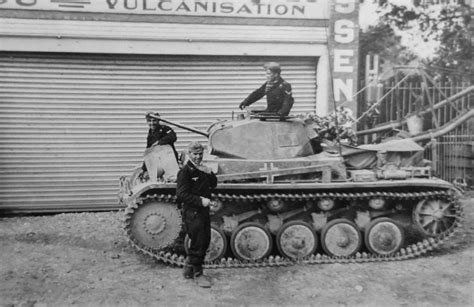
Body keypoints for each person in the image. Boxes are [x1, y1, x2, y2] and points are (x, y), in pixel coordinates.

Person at [176, 142, 217, 286]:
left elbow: (213, 184)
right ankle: (198, 274)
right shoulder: (185, 172)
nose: (198, 157)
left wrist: (209, 173)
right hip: (192, 211)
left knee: (205, 240)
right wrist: (201, 201)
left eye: (200, 154)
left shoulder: (202, 169)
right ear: (189, 154)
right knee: (198, 242)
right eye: (195, 154)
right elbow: (181, 194)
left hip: (203, 211)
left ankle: (188, 269)